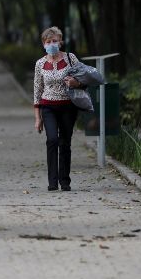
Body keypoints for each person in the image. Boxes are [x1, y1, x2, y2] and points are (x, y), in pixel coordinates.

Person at [33, 27, 84, 192]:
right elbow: (37, 90)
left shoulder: (70, 58)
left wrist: (76, 83)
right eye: (48, 42)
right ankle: (52, 182)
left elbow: (84, 78)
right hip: (48, 107)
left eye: (55, 41)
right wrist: (37, 117)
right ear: (44, 44)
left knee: (65, 143)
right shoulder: (40, 64)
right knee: (52, 140)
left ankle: (65, 181)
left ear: (60, 41)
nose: (52, 44)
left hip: (68, 106)